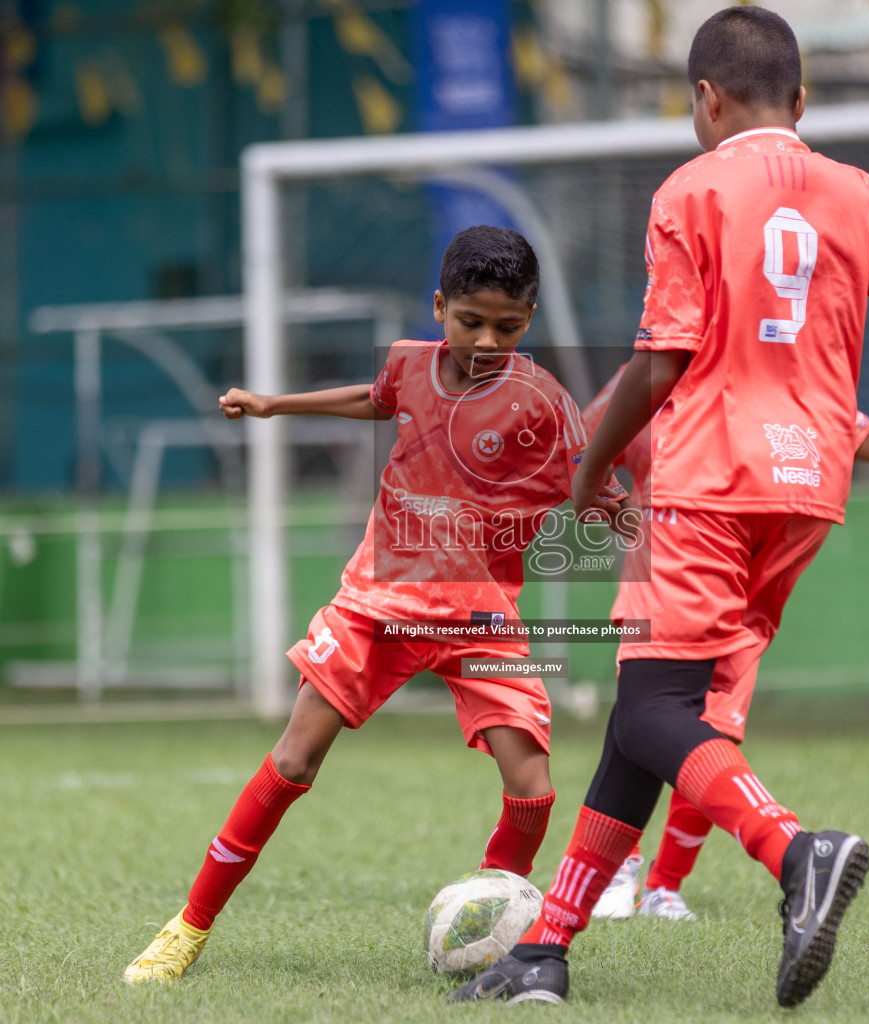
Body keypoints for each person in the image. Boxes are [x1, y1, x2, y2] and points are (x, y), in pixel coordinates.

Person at [449, 7, 869, 1009]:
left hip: (709, 482)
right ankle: (547, 947)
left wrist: (588, 465)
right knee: (645, 716)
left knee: (655, 707)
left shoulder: (689, 191)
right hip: (808, 492)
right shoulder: (862, 194)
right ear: (801, 100)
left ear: (704, 99)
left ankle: (797, 851)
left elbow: (661, 362)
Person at [123, 225, 628, 983]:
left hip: (479, 614)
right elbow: (377, 396)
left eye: (509, 326)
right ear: (439, 307)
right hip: (376, 602)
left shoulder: (541, 405)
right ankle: (187, 930)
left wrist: (638, 517)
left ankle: (501, 930)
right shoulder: (409, 366)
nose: (487, 340)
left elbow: (597, 486)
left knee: (533, 788)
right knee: (293, 759)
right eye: (470, 321)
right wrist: (272, 405)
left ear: (529, 322)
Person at [582, 379, 869, 922]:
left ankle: (664, 885)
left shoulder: (805, 389)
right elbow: (589, 442)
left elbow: (865, 441)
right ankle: (618, 870)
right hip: (668, 586)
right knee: (650, 722)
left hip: (743, 620)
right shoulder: (664, 387)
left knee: (711, 733)